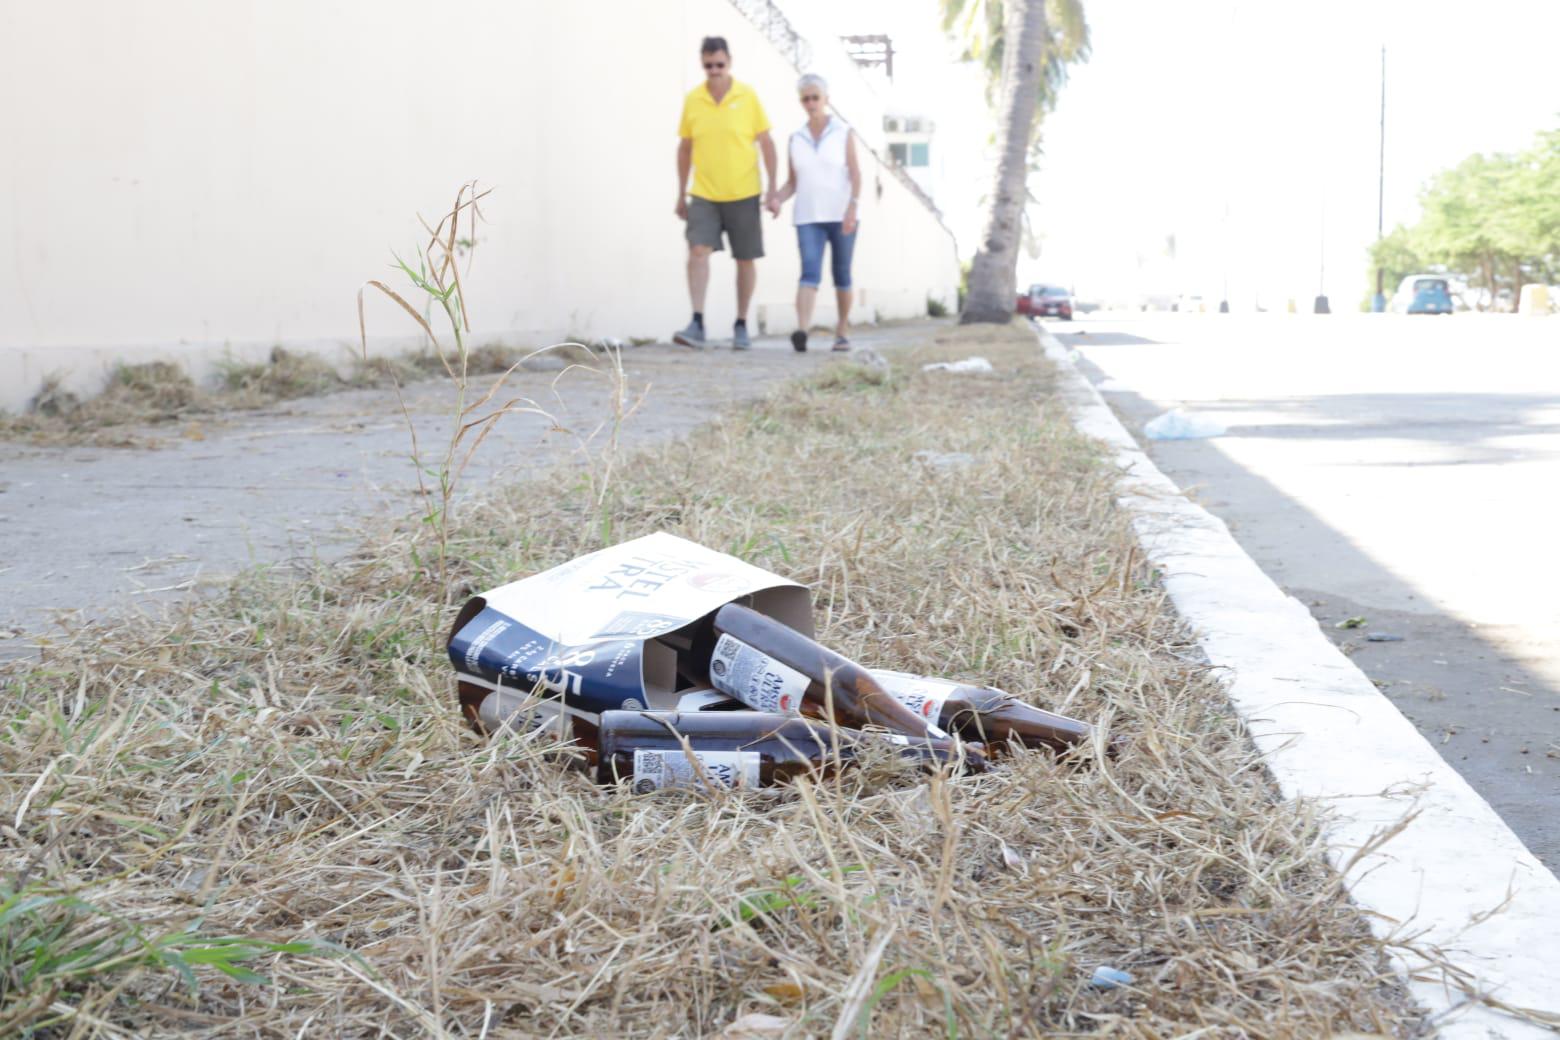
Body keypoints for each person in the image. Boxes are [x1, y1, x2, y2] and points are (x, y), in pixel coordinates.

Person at [672, 36, 778, 350]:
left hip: (744, 192)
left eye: (720, 64)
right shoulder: (693, 99)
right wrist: (681, 194)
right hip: (704, 192)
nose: (715, 71)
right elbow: (685, 148)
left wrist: (772, 189)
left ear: (729, 62)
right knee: (697, 251)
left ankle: (741, 323)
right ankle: (697, 322)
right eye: (708, 66)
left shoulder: (748, 96)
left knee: (745, 258)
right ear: (702, 65)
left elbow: (767, 144)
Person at [773, 74, 861, 353]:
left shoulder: (842, 132)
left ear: (826, 100)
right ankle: (802, 330)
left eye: (815, 97)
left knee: (841, 274)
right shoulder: (795, 138)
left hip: (841, 214)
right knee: (809, 273)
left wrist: (852, 206)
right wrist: (776, 198)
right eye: (806, 98)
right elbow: (793, 182)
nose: (810, 103)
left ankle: (842, 330)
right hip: (807, 216)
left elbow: (855, 173)